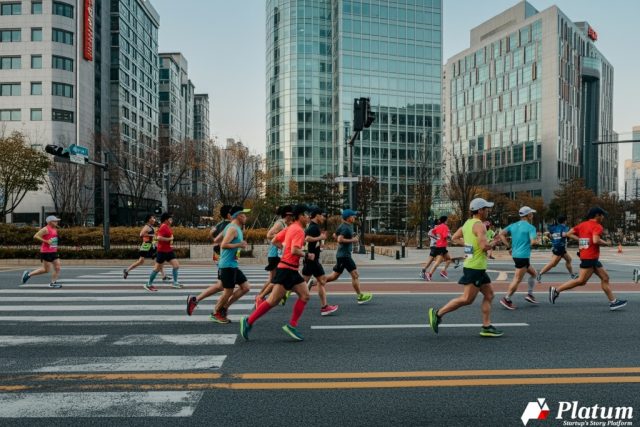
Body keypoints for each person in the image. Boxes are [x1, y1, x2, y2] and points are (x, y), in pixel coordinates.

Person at [427, 198, 503, 337]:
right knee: (467, 299)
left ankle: (486, 326)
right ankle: (437, 314)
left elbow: (454, 238)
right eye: (486, 208)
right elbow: (484, 246)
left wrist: (469, 246)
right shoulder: (479, 225)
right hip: (475, 268)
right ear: (480, 210)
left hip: (476, 266)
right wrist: (495, 241)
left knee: (490, 294)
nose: (487, 211)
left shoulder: (467, 223)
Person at [240, 204, 313, 341]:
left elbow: (274, 240)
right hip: (287, 269)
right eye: (306, 214)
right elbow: (294, 250)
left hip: (290, 269)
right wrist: (307, 254)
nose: (308, 217)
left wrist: (284, 250)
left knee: (305, 295)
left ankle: (291, 325)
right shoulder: (298, 230)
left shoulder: (290, 227)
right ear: (300, 216)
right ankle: (248, 321)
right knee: (273, 301)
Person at [549, 207, 627, 310]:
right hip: (590, 257)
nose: (603, 217)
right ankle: (556, 291)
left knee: (605, 278)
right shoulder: (598, 226)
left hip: (589, 256)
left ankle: (613, 302)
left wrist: (581, 240)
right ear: (597, 215)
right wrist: (607, 243)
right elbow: (595, 240)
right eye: (602, 215)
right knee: (581, 281)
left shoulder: (582, 225)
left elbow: (568, 234)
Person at [186, 206, 252, 323]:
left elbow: (216, 240)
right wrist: (238, 245)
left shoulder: (230, 227)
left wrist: (230, 246)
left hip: (231, 264)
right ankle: (216, 312)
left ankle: (220, 307)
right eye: (244, 215)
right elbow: (223, 245)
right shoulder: (233, 229)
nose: (246, 217)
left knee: (245, 287)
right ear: (238, 216)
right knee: (228, 291)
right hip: (227, 265)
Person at [324, 209, 373, 305]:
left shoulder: (344, 226)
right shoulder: (346, 227)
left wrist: (343, 240)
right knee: (355, 274)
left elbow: (335, 235)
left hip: (342, 255)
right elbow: (339, 239)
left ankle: (313, 283)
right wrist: (353, 240)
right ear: (348, 218)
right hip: (344, 256)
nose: (354, 217)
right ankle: (360, 296)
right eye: (353, 216)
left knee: (334, 276)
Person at [498, 206, 540, 309]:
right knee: (517, 279)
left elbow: (501, 234)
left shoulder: (513, 225)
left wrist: (509, 246)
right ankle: (506, 299)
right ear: (528, 215)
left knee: (534, 274)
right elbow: (533, 242)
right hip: (523, 256)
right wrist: (536, 241)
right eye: (531, 213)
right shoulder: (531, 227)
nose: (532, 215)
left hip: (516, 255)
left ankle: (530, 294)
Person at [302, 207, 338, 316]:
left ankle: (324, 307)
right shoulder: (313, 227)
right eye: (322, 215)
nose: (324, 218)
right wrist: (320, 237)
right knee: (318, 281)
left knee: (319, 281)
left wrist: (319, 241)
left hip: (311, 259)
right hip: (312, 260)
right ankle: (324, 307)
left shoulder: (314, 227)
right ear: (317, 215)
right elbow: (307, 239)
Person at [254, 205, 293, 306]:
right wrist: (280, 238)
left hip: (279, 254)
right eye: (292, 214)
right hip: (275, 254)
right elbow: (268, 235)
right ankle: (260, 297)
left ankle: (262, 296)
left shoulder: (287, 223)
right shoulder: (280, 223)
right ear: (288, 214)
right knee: (274, 280)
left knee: (274, 279)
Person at [22, 215, 63, 288]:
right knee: (46, 270)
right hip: (46, 251)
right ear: (50, 222)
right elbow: (36, 236)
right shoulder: (45, 229)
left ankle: (53, 283)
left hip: (53, 251)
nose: (57, 222)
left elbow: (52, 238)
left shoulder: (54, 228)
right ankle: (28, 275)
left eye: (57, 221)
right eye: (55, 221)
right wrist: (46, 241)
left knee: (57, 267)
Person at [123, 214, 167, 281]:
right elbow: (141, 234)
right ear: (149, 219)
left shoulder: (150, 226)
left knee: (155, 259)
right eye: (153, 218)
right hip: (146, 245)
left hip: (150, 245)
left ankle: (163, 276)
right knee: (143, 261)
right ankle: (163, 276)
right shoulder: (146, 227)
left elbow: (152, 235)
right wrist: (152, 235)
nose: (154, 219)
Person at [144, 212, 181, 291]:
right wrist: (169, 239)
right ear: (166, 220)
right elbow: (159, 238)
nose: (171, 220)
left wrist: (170, 239)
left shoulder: (167, 226)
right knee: (157, 269)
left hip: (168, 250)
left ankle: (175, 283)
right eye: (170, 219)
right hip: (162, 251)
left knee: (176, 265)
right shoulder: (163, 226)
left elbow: (167, 236)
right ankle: (148, 284)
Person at [537, 216, 577, 282]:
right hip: (559, 247)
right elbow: (565, 235)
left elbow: (548, 234)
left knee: (569, 259)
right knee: (553, 264)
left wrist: (552, 238)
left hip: (558, 247)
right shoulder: (565, 228)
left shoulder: (554, 227)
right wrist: (578, 238)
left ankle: (572, 274)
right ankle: (540, 274)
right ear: (565, 221)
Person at [424, 215, 455, 280]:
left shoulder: (438, 227)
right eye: (447, 220)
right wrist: (450, 238)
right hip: (441, 247)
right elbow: (445, 236)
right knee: (438, 262)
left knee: (449, 259)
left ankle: (443, 271)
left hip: (440, 246)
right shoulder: (445, 227)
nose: (448, 221)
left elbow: (432, 232)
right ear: (445, 220)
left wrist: (437, 238)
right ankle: (429, 274)